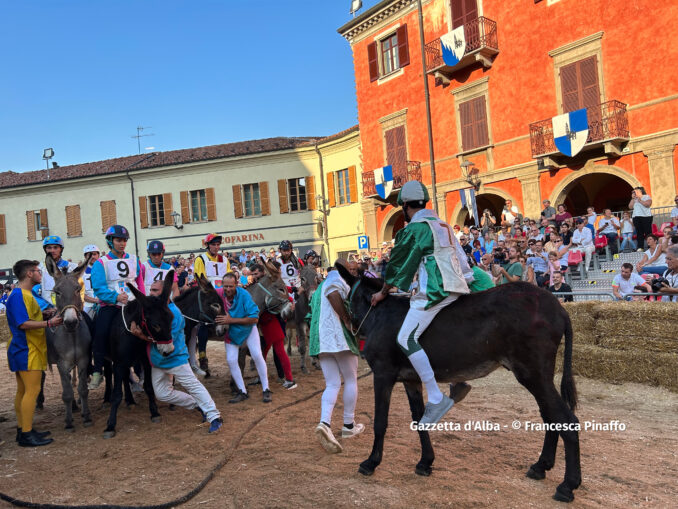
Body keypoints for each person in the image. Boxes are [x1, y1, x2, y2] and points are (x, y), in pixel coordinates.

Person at [370, 181, 473, 425]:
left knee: (406, 338)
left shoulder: (414, 229)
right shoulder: (445, 225)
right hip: (457, 285)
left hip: (436, 289)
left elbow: (396, 266)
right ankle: (456, 380)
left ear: (405, 206)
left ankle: (436, 397)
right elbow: (462, 261)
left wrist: (384, 291)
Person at [129, 280, 223, 433]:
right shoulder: (155, 308)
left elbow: (163, 340)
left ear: (165, 293)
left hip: (176, 359)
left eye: (155, 291)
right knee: (162, 394)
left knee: (193, 385)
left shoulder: (175, 314)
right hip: (158, 361)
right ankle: (198, 404)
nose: (151, 293)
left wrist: (140, 335)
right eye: (151, 290)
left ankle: (214, 416)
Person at [6, 259, 63, 446]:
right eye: (37, 271)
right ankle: (26, 433)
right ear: (29, 274)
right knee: (32, 391)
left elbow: (27, 317)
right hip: (26, 349)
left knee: (23, 391)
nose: (40, 273)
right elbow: (23, 323)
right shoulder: (19, 295)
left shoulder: (24, 295)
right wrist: (49, 323)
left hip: (29, 348)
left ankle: (24, 429)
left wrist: (43, 315)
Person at [312, 259, 364, 453]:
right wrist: (348, 320)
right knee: (351, 379)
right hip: (339, 336)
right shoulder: (336, 277)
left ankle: (325, 423)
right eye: (349, 269)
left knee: (332, 383)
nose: (352, 273)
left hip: (322, 339)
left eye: (354, 270)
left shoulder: (321, 285)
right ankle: (348, 425)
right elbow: (334, 294)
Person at [88, 224, 145, 390]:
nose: (122, 243)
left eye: (124, 240)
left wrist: (143, 300)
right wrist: (115, 297)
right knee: (101, 331)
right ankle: (98, 370)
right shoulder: (101, 263)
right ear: (110, 241)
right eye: (118, 240)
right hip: (112, 305)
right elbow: (99, 287)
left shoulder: (134, 259)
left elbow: (139, 282)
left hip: (134, 305)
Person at [215, 273, 271, 404]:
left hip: (248, 328)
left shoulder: (244, 295)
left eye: (231, 286)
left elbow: (255, 318)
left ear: (236, 285)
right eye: (225, 286)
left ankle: (266, 389)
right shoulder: (219, 293)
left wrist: (230, 320)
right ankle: (242, 391)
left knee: (257, 355)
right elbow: (206, 293)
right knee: (231, 360)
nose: (228, 289)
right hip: (232, 332)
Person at [192, 234, 230, 377]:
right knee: (203, 323)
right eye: (213, 244)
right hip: (208, 296)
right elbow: (200, 279)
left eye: (218, 245)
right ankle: (202, 355)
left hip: (223, 295)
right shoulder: (200, 259)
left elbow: (229, 276)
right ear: (208, 245)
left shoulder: (224, 259)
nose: (216, 247)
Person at [36, 236, 78, 308]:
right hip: (48, 310)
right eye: (49, 248)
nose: (52, 250)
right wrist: (45, 308)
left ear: (61, 249)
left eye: (55, 247)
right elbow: (35, 292)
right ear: (45, 250)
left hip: (69, 309)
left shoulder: (73, 267)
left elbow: (80, 290)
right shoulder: (39, 268)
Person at [82, 244, 101, 319]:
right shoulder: (81, 272)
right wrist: (95, 301)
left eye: (94, 254)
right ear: (85, 257)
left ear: (98, 255)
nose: (92, 257)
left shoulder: (104, 269)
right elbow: (81, 294)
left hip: (104, 303)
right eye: (89, 255)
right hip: (87, 304)